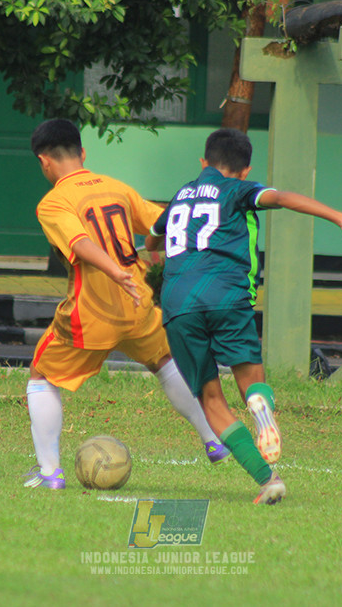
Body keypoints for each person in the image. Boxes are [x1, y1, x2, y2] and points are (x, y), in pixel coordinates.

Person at [146, 127, 342, 505]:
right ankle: (258, 403)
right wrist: (339, 218)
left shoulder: (178, 198)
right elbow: (282, 197)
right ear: (244, 168)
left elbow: (153, 239)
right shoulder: (239, 189)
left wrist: (155, 255)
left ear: (203, 162)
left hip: (178, 301)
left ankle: (268, 480)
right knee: (251, 381)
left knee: (210, 399)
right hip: (226, 293)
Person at [22, 119, 229, 489]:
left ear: (44, 162)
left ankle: (50, 472)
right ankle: (213, 439)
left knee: (41, 376)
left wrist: (113, 271)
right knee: (165, 362)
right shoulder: (116, 188)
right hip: (140, 303)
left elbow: (81, 243)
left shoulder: (52, 203)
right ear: (82, 153)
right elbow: (166, 222)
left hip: (94, 309)